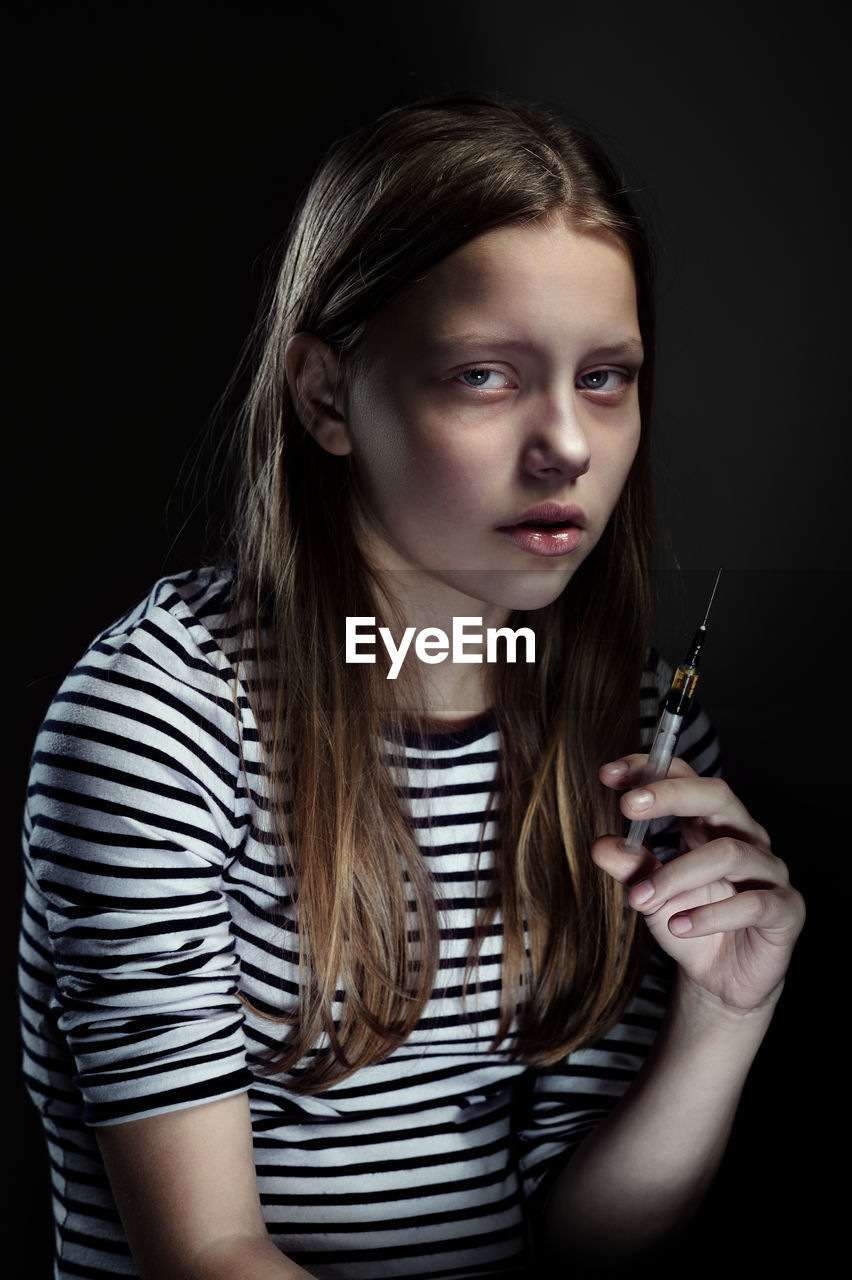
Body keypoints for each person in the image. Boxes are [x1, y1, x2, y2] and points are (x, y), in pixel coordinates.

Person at [19, 93, 804, 1280]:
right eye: (484, 374)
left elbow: (583, 1229)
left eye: (606, 377)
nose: (569, 448)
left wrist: (726, 1014)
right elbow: (206, 1252)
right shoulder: (159, 722)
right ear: (327, 397)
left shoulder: (626, 726)